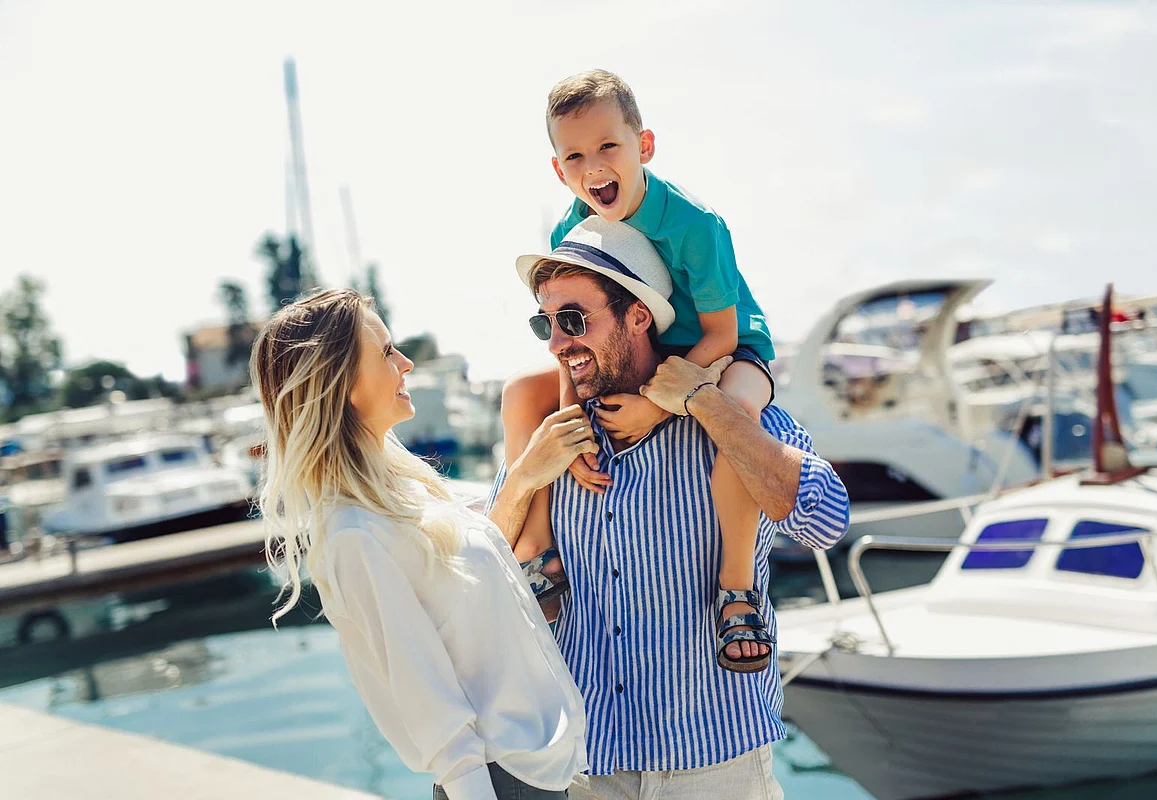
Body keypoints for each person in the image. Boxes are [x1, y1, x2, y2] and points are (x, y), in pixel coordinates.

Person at [488, 220, 850, 799]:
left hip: (716, 763)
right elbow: (488, 567)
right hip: (587, 764)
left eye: (573, 320)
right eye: (545, 324)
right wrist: (526, 475)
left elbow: (825, 522)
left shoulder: (731, 414)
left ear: (638, 316)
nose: (556, 343)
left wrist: (707, 405)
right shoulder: (549, 436)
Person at [249, 288, 591, 800]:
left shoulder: (405, 493)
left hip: (536, 772)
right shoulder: (353, 534)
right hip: (503, 784)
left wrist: (524, 478)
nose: (406, 363)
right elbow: (431, 711)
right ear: (341, 383)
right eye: (387, 352)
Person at [503, 69, 779, 672]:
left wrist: (659, 405)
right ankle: (537, 549)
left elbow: (722, 334)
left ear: (644, 146)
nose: (593, 166)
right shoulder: (571, 229)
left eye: (608, 145)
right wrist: (572, 428)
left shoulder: (695, 225)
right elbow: (571, 343)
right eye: (575, 155)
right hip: (636, 350)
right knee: (523, 394)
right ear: (558, 169)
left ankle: (736, 588)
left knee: (735, 412)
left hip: (727, 351)